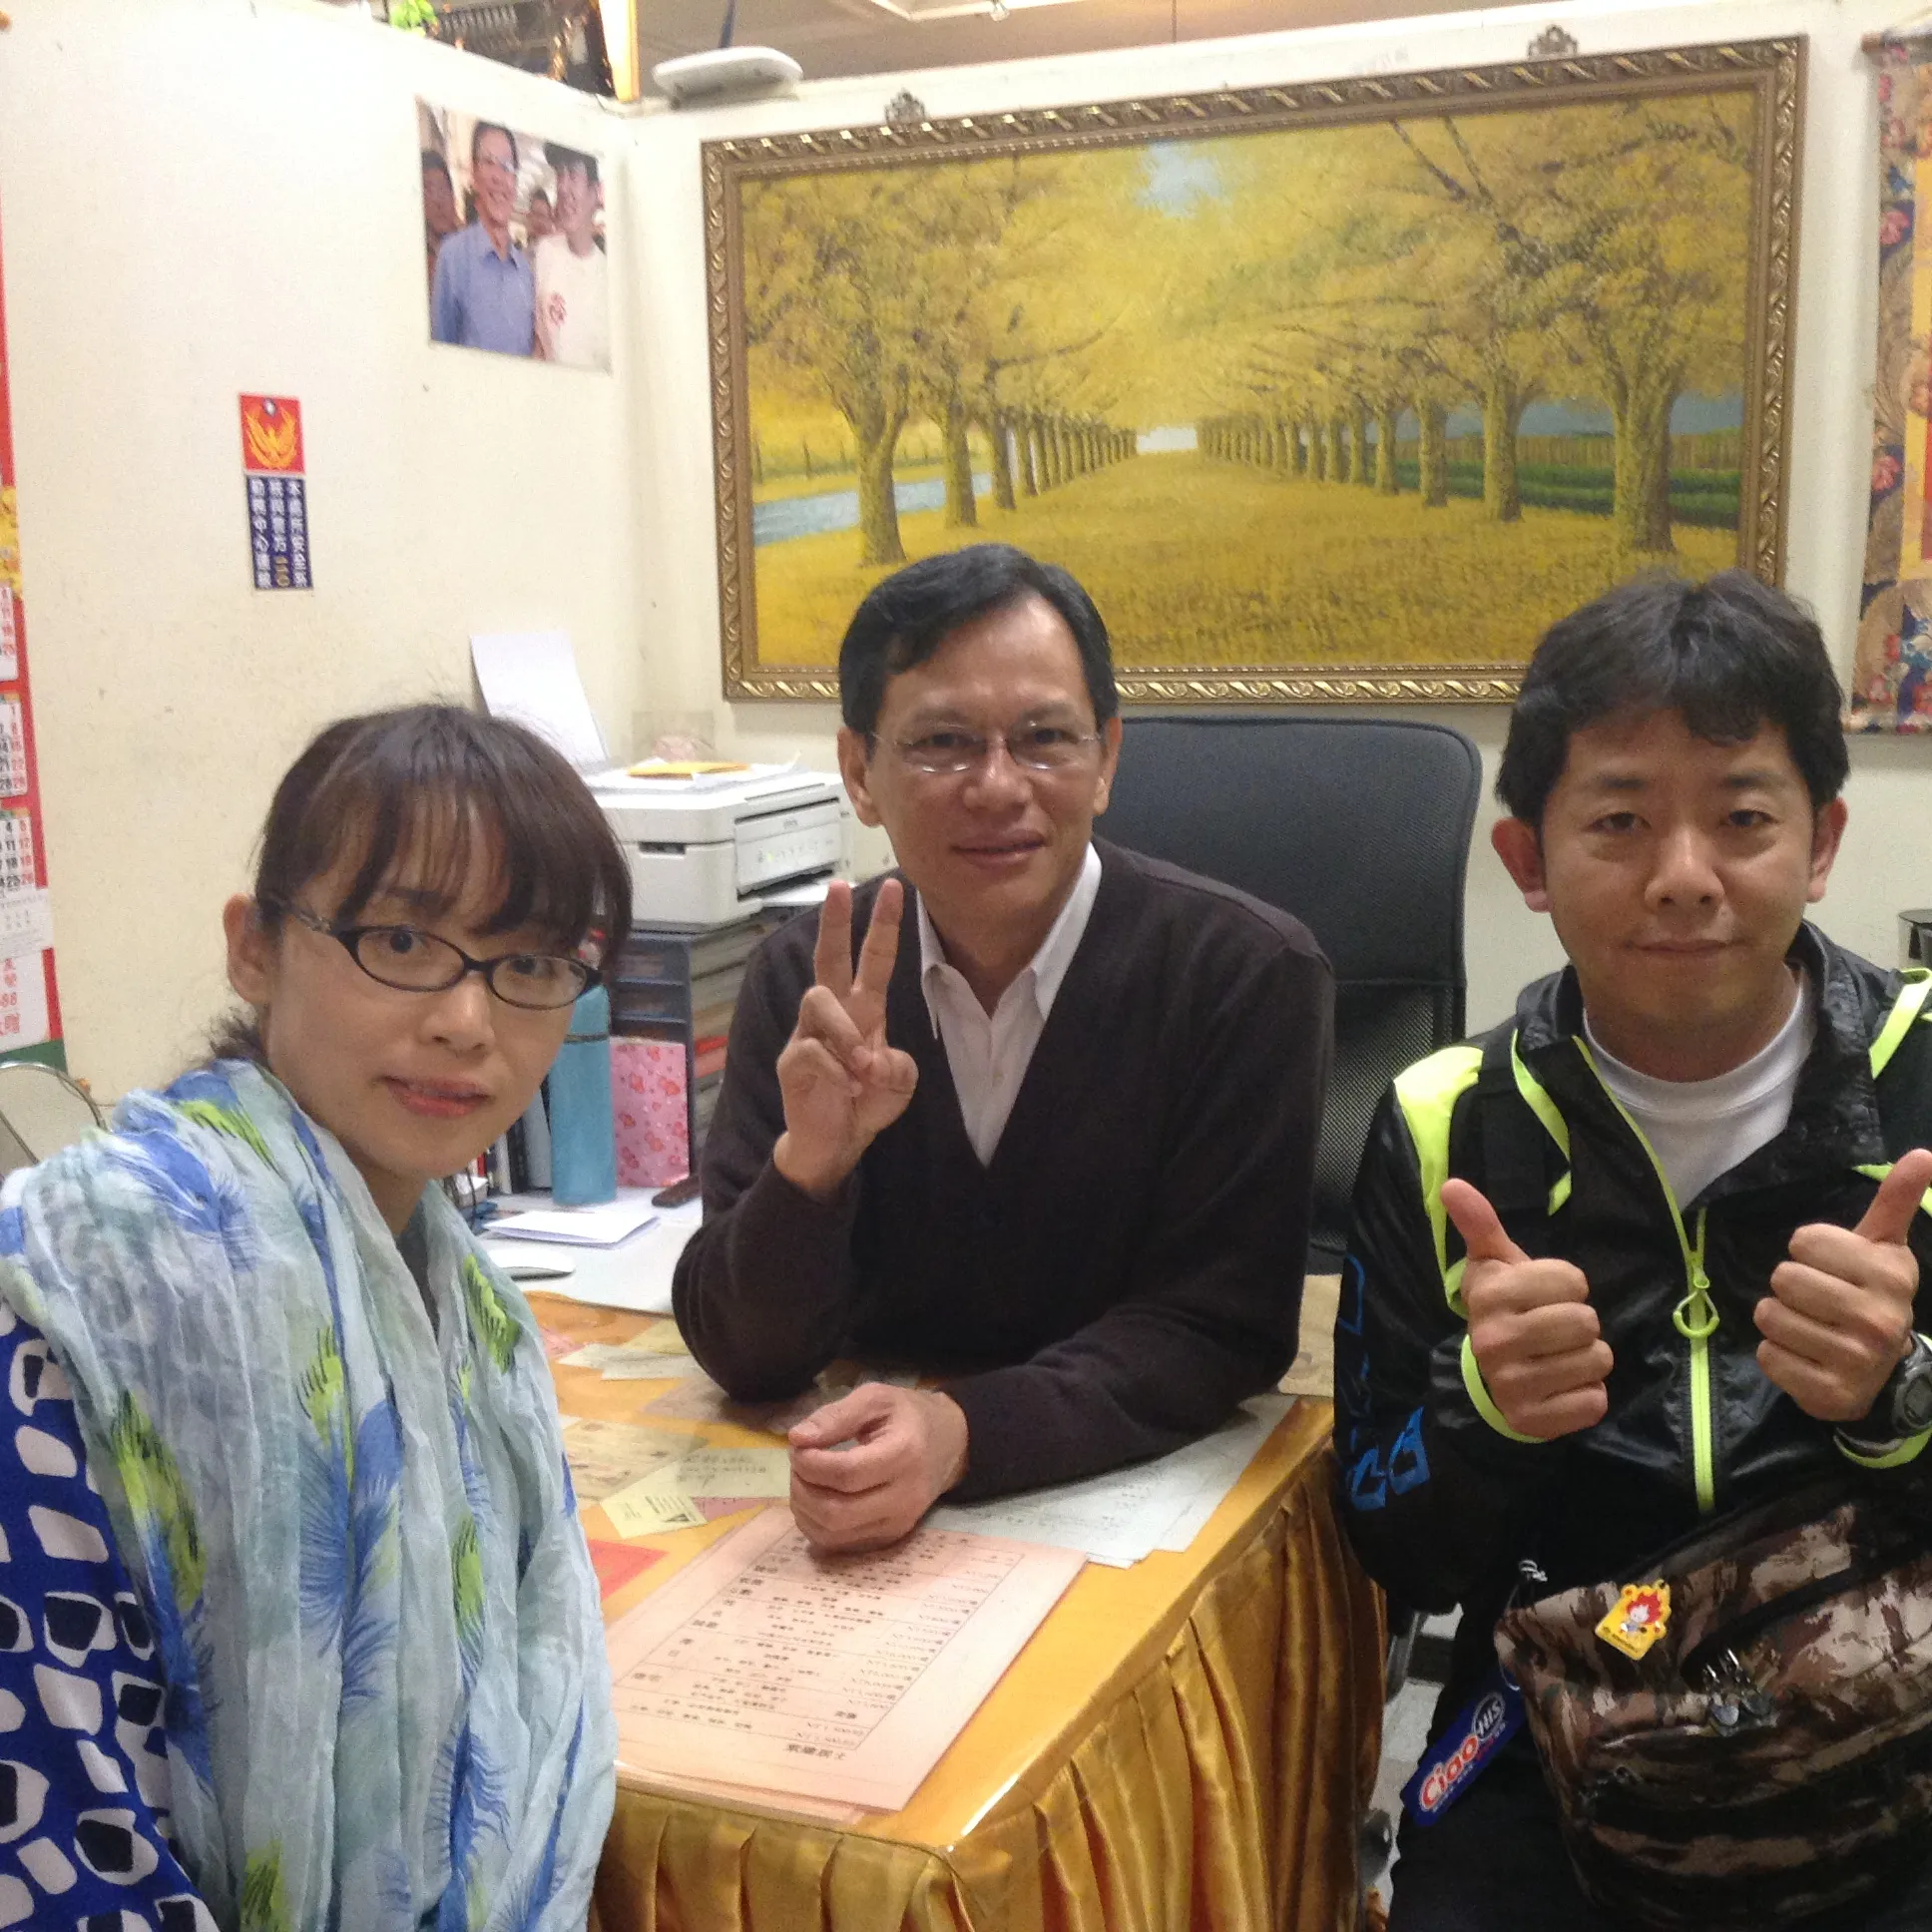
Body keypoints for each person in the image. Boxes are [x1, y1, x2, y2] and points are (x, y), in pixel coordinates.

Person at [1333, 571, 1932, 1929]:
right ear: (1527, 860)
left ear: (1821, 842)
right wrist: (1484, 1416)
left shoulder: (1922, 1078)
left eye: (1742, 818)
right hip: (1559, 1705)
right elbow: (1393, 1550)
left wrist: (1901, 1397)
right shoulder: (1442, 1124)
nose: (1683, 877)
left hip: (1892, 1699)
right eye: (1618, 820)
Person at [0, 706, 629, 1930]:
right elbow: (57, 1842)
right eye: (400, 939)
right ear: (255, 949)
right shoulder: (91, 1296)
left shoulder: (471, 1308)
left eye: (530, 963)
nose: (466, 1020)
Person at [674, 543, 1332, 1552]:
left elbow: (1217, 1326)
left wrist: (963, 1434)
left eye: (1045, 738)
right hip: (855, 1491)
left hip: (1132, 1500)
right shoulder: (808, 980)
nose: (996, 785)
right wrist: (809, 1172)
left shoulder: (1242, 975)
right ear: (858, 771)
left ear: (1106, 758)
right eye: (942, 742)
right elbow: (746, 1357)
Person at [430, 123, 535, 355]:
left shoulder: (525, 271)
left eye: (507, 166)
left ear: (515, 181)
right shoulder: (452, 258)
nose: (498, 177)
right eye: (488, 162)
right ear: (474, 175)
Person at [534, 145, 610, 371]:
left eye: (573, 175)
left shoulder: (609, 280)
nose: (563, 187)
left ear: (594, 192)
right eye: (560, 174)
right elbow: (539, 344)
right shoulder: (545, 252)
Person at [420, 148, 460, 297]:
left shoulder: (469, 253)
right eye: (429, 190)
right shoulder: (415, 262)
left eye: (443, 189)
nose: (439, 201)